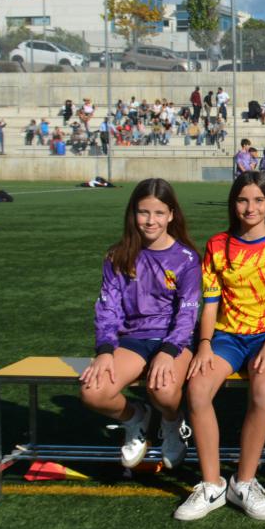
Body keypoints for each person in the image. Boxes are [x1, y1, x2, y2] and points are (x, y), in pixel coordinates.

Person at [176, 173, 265, 521]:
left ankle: (244, 481)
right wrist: (205, 344)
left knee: (263, 390)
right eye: (243, 200)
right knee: (197, 390)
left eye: (258, 200)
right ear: (233, 203)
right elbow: (210, 302)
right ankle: (212, 484)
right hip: (226, 337)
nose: (250, 208)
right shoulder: (218, 244)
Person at [78, 178, 201, 473]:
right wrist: (105, 350)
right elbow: (107, 307)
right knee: (93, 392)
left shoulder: (186, 259)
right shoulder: (118, 256)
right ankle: (136, 419)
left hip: (174, 341)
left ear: (171, 215)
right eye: (143, 212)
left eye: (159, 213)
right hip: (132, 340)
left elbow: (187, 313)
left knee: (164, 391)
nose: (150, 220)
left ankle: (172, 423)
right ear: (133, 213)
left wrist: (168, 352)